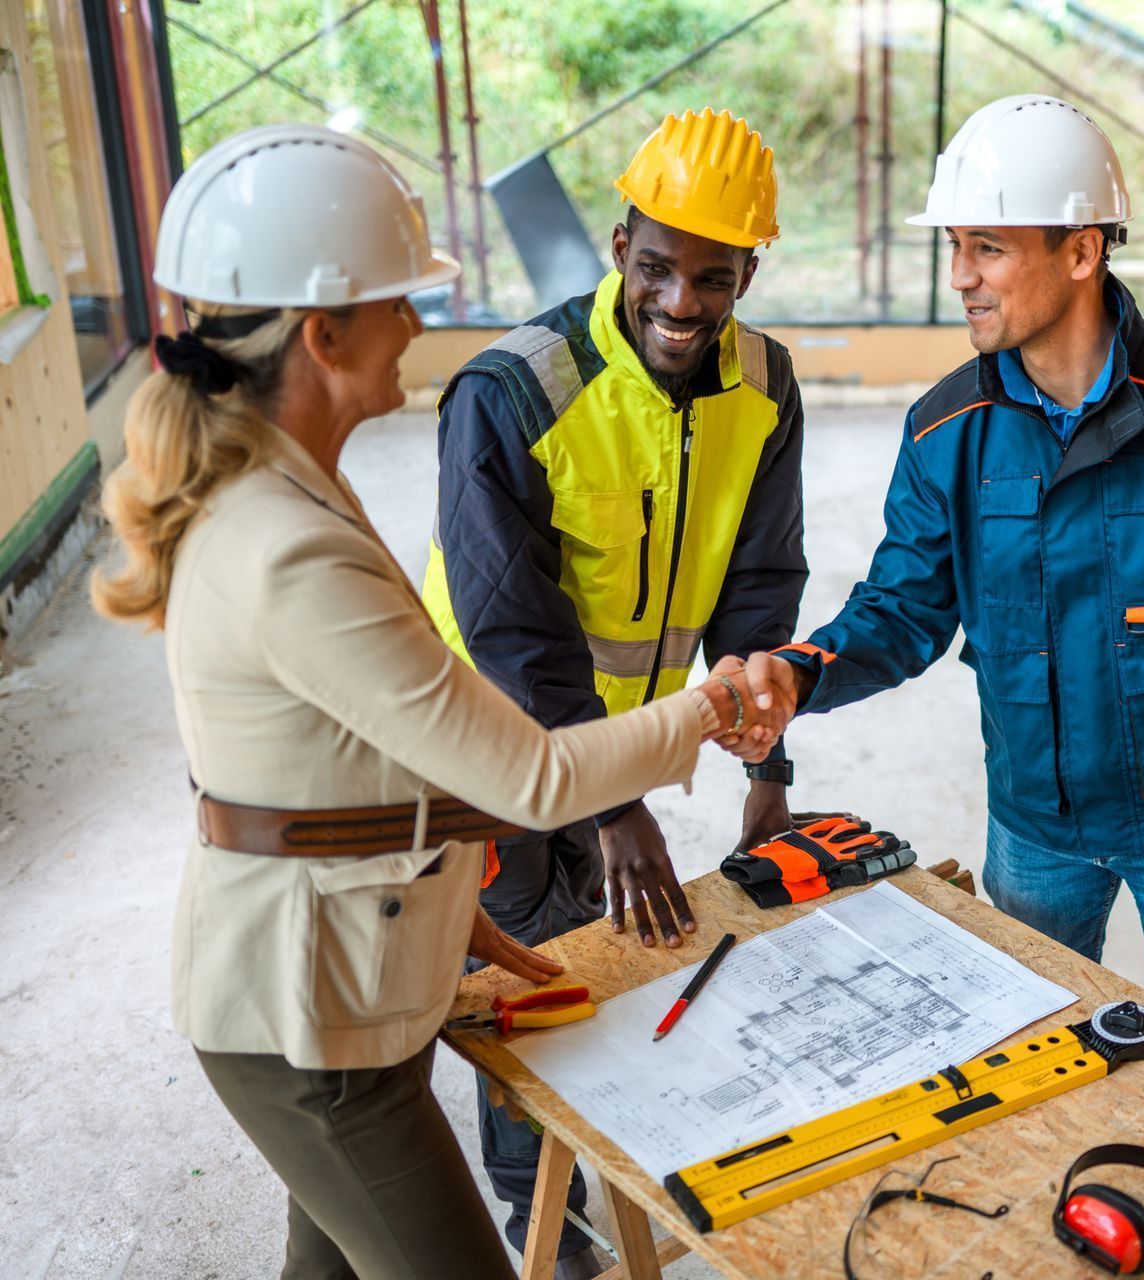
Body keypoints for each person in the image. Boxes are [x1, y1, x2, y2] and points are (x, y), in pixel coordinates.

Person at [90, 124, 788, 1280]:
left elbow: (331, 760)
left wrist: (444, 891)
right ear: (324, 332)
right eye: (398, 302)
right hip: (306, 1031)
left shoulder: (292, 495)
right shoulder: (289, 545)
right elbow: (534, 777)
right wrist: (717, 706)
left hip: (352, 977)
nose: (417, 324)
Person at [750, 95, 1144, 1043]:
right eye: (955, 246)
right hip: (1037, 816)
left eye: (988, 247)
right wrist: (805, 672)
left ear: (1081, 252)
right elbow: (904, 611)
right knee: (1036, 1043)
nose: (960, 277)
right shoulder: (946, 432)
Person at [415, 106, 805, 1268]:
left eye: (715, 277)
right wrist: (615, 804)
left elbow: (760, 588)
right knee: (530, 978)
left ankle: (586, 1195)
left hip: (618, 746)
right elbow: (512, 632)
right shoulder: (513, 392)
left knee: (601, 967)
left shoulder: (766, 386)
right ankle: (545, 1224)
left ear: (750, 269)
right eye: (658, 267)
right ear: (620, 239)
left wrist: (766, 761)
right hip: (487, 746)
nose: (682, 303)